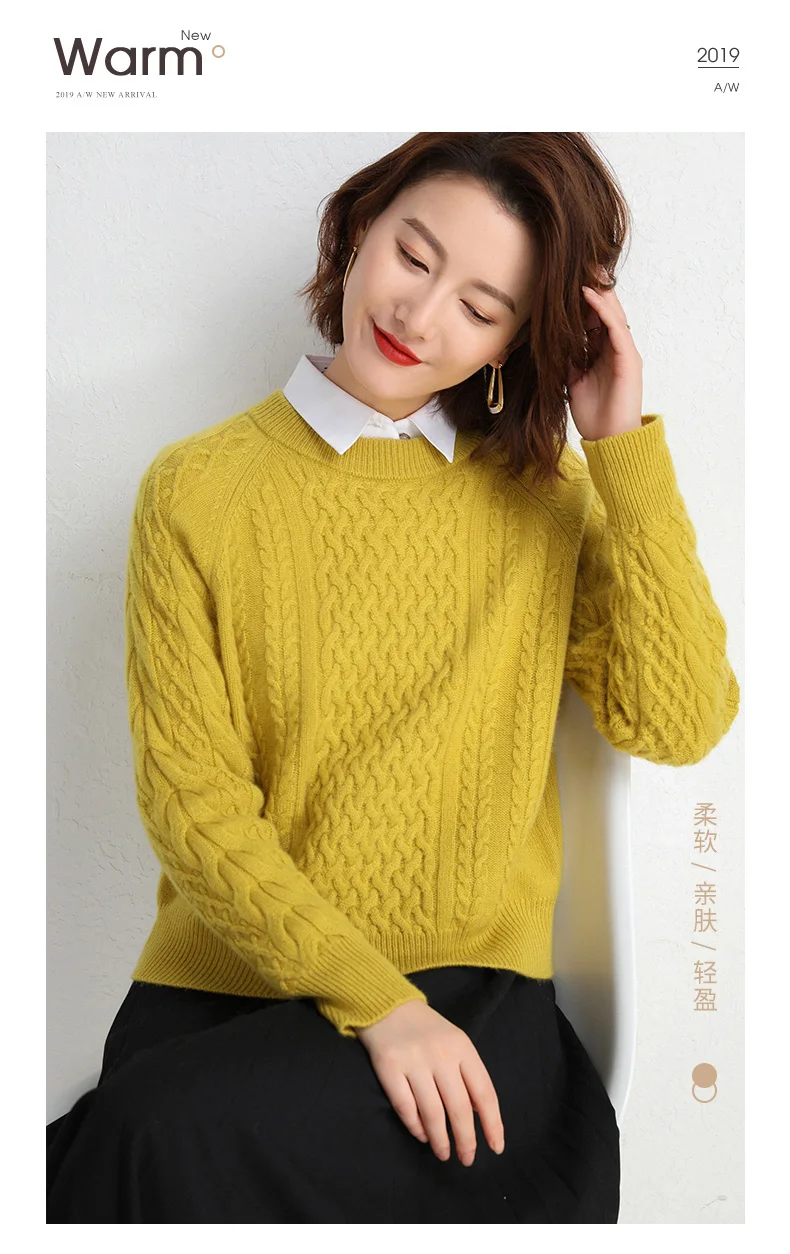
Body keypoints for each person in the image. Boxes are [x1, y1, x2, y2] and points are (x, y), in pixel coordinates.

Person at [46, 132, 741, 1223]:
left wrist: (622, 450)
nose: (418, 316)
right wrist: (372, 1001)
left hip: (468, 1007)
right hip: (223, 989)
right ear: (359, 228)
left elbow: (681, 718)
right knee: (140, 1134)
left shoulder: (546, 500)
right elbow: (193, 805)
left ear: (519, 340)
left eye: (481, 307)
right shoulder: (195, 490)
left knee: (137, 1142)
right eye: (414, 256)